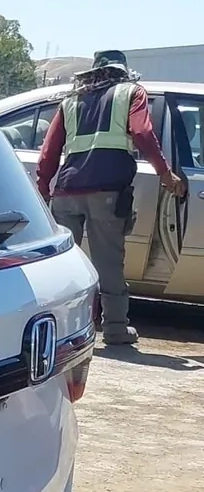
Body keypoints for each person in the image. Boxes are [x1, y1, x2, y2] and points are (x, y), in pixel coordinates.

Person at [35, 49, 188, 346]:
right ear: (123, 71)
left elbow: (48, 152)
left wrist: (43, 189)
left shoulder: (71, 101)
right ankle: (116, 329)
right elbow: (142, 133)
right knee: (108, 264)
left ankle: (56, 330)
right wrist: (165, 174)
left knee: (60, 266)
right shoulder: (131, 93)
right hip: (106, 192)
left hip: (66, 193)